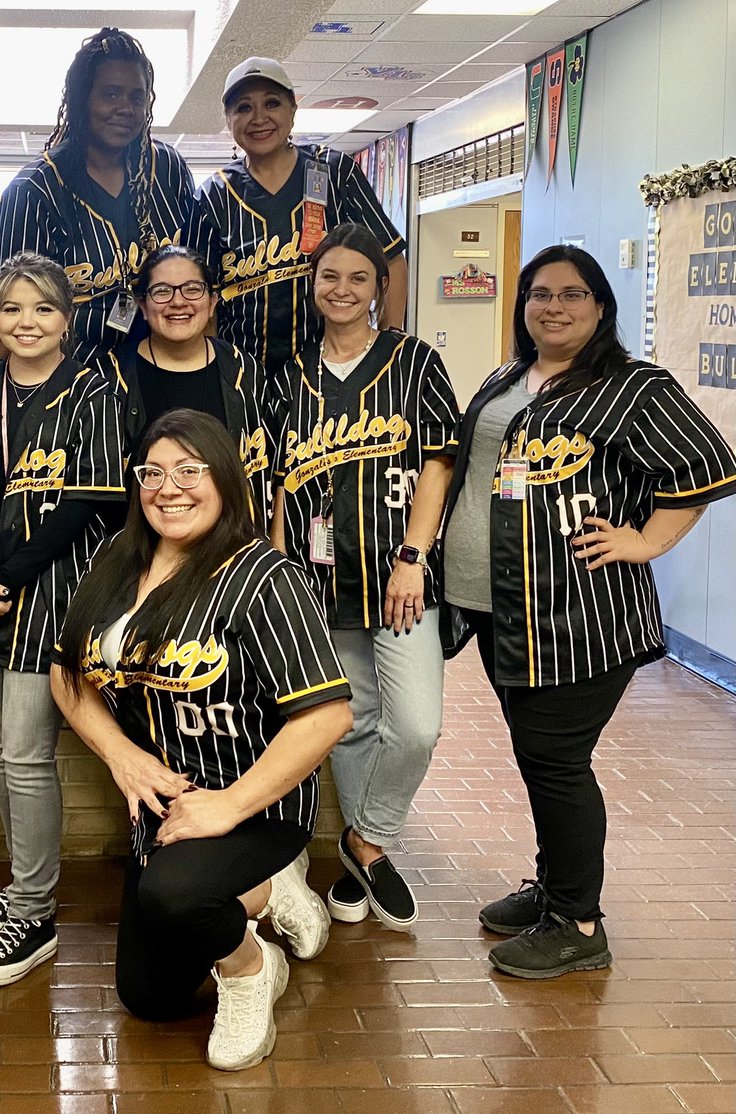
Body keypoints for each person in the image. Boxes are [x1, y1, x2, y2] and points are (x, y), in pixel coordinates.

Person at [441, 244, 736, 978]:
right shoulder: (510, 375)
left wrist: (643, 541)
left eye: (573, 295)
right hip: (500, 607)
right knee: (538, 758)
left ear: (601, 306)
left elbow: (702, 466)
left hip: (578, 613)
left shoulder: (634, 386)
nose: (555, 307)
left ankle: (577, 922)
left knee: (558, 761)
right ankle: (555, 887)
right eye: (540, 294)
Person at [52, 410, 352, 1072]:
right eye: (153, 472)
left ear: (225, 480)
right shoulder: (114, 561)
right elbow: (66, 674)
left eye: (191, 470)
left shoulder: (263, 575)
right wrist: (122, 755)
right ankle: (268, 898)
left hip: (255, 805)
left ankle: (249, 970)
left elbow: (328, 716)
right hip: (165, 813)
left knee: (176, 896)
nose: (170, 487)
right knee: (150, 999)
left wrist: (227, 806)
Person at [0, 252, 125, 986]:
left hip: (49, 593)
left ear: (68, 318)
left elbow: (82, 505)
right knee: (4, 746)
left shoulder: (92, 392)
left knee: (30, 755)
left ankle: (36, 911)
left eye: (42, 309)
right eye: (12, 310)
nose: (26, 322)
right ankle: (22, 885)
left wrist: (5, 577)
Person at [271, 225, 460, 935]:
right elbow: (280, 486)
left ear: (381, 286)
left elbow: (439, 463)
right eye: (330, 277)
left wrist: (414, 557)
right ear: (312, 286)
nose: (343, 290)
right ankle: (364, 861)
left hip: (401, 577)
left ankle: (367, 841)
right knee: (352, 726)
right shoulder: (289, 376)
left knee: (414, 726)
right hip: (321, 580)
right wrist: (284, 572)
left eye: (359, 277)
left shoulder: (414, 362)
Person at [188, 57, 407, 375]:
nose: (259, 118)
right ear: (228, 119)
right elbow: (203, 298)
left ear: (292, 110)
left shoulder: (333, 172)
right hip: (242, 375)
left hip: (333, 370)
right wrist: (211, 374)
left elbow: (392, 260)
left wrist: (388, 347)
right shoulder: (213, 194)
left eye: (272, 103)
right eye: (244, 107)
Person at [0, 28, 195, 366]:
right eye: (110, 94)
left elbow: (195, 268)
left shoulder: (168, 168)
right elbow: (17, 306)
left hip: (164, 363)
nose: (125, 108)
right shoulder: (35, 190)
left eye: (136, 97)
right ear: (82, 99)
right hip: (73, 379)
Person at [96, 244, 279, 527]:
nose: (178, 302)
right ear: (142, 306)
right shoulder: (110, 378)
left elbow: (266, 470)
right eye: (162, 291)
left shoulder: (244, 369)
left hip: (232, 548)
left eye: (192, 289)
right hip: (143, 553)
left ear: (212, 302)